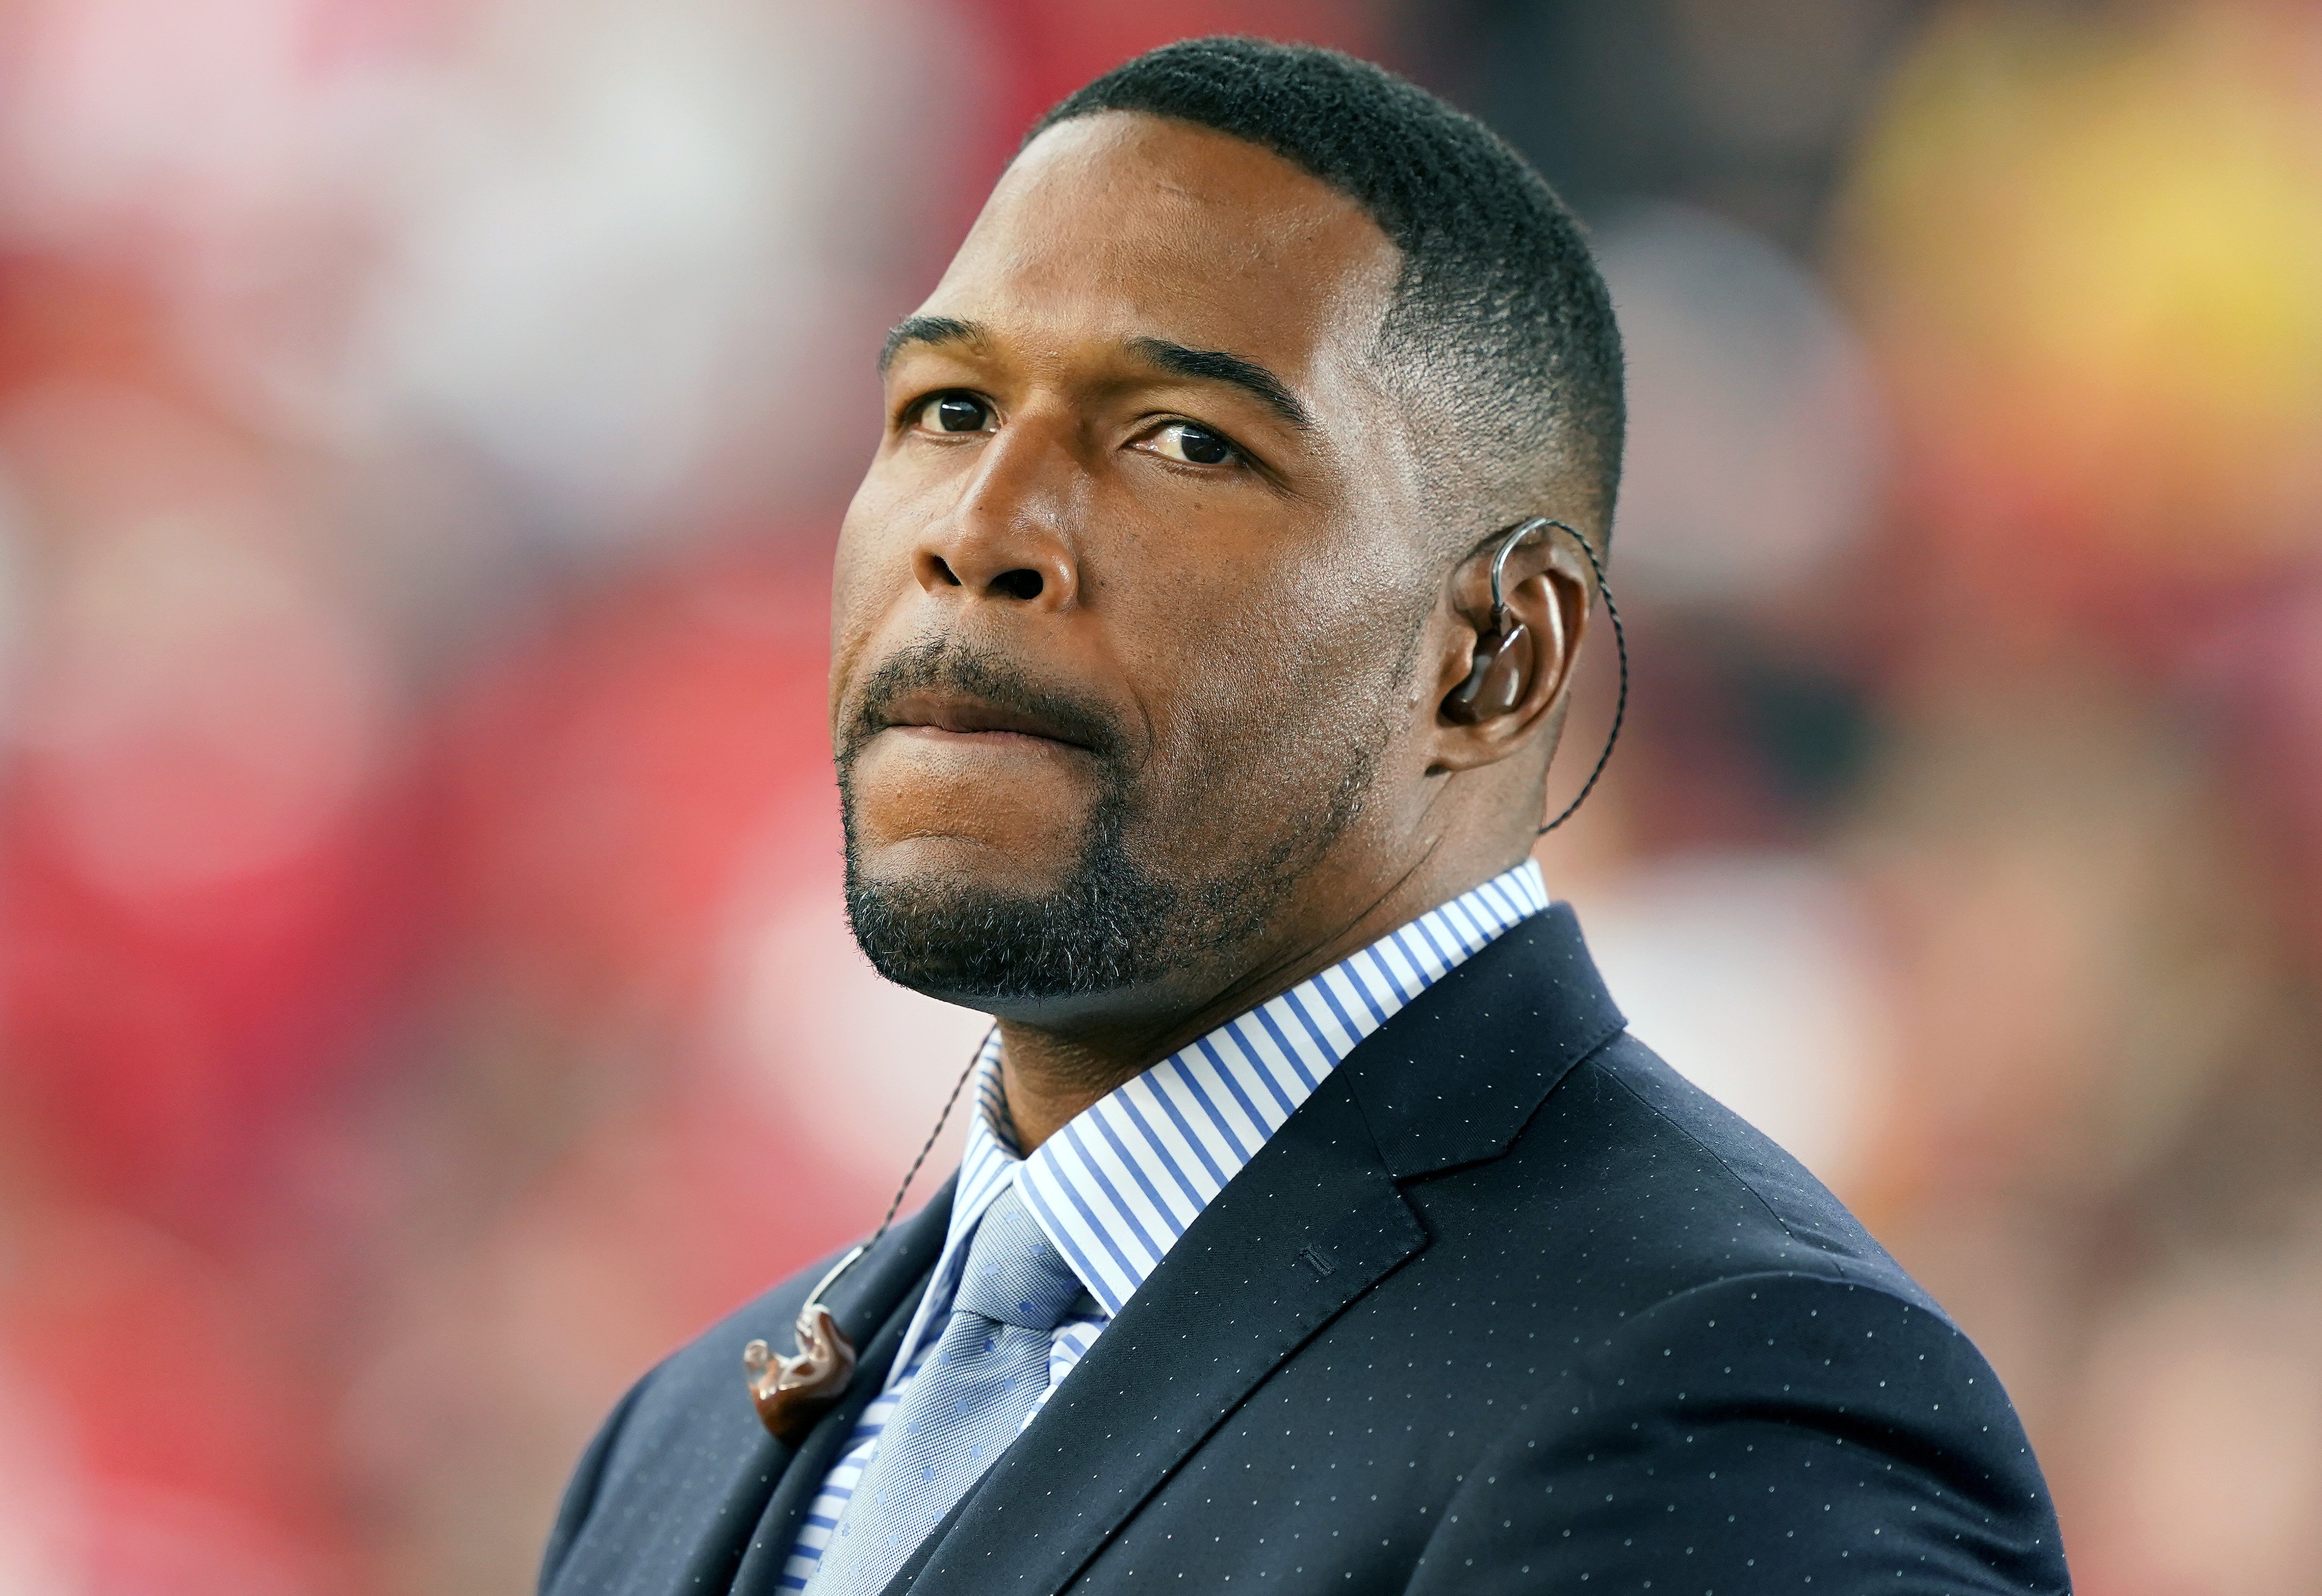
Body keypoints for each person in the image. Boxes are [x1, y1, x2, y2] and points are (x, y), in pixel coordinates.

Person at [537, 37, 2067, 1596]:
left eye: (1187, 440)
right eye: (944, 408)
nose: (981, 527)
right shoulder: (671, 1449)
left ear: (1497, 653)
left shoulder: (1729, 1396)